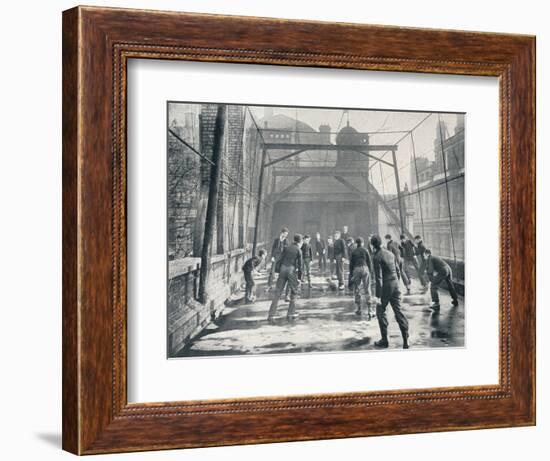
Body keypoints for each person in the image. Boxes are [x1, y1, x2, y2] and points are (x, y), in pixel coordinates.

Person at [371, 234, 410, 349]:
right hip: (396, 285)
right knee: (398, 311)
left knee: (380, 311)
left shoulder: (376, 256)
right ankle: (405, 339)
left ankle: (384, 340)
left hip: (386, 287)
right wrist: (397, 285)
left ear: (373, 245)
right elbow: (398, 270)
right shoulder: (390, 253)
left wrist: (378, 296)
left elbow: (379, 278)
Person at [268, 234, 303, 322]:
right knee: (294, 292)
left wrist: (276, 272)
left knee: (278, 292)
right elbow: (300, 266)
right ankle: (291, 313)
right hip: (291, 270)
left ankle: (271, 314)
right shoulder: (299, 250)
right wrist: (299, 278)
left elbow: (279, 259)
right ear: (300, 242)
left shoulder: (286, 248)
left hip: (283, 269)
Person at [349, 237, 373, 318]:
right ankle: (370, 310)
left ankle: (359, 309)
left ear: (356, 243)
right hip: (365, 268)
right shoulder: (365, 250)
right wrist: (370, 272)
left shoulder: (354, 251)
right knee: (367, 288)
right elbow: (369, 262)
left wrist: (351, 275)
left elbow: (351, 264)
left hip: (356, 269)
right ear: (362, 243)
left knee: (357, 289)